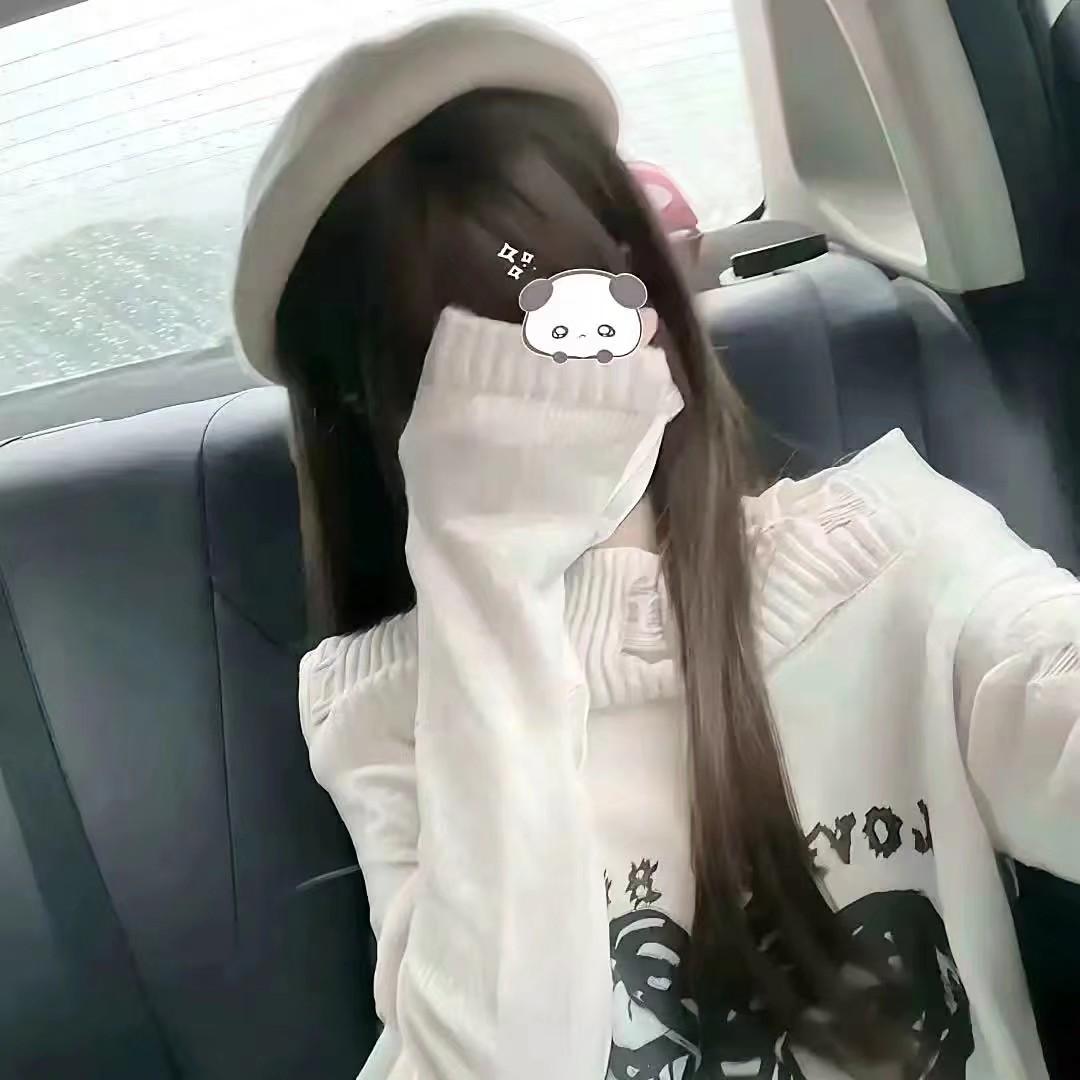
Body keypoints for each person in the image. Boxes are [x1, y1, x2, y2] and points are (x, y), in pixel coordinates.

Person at [230, 12, 1080, 1079]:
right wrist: (489, 575)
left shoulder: (890, 553)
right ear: (376, 414)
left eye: (572, 308)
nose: (553, 382)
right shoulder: (387, 707)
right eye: (474, 367)